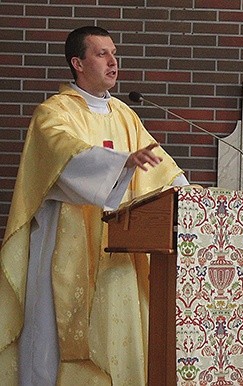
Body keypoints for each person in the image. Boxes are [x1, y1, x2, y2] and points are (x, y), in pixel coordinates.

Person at [0, 26, 187, 385]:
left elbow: (157, 163)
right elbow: (61, 153)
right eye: (102, 54)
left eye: (114, 53)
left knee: (118, 323)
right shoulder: (52, 113)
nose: (113, 62)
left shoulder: (125, 115)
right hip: (65, 243)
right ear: (77, 63)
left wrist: (186, 191)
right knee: (53, 332)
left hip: (121, 245)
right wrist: (120, 163)